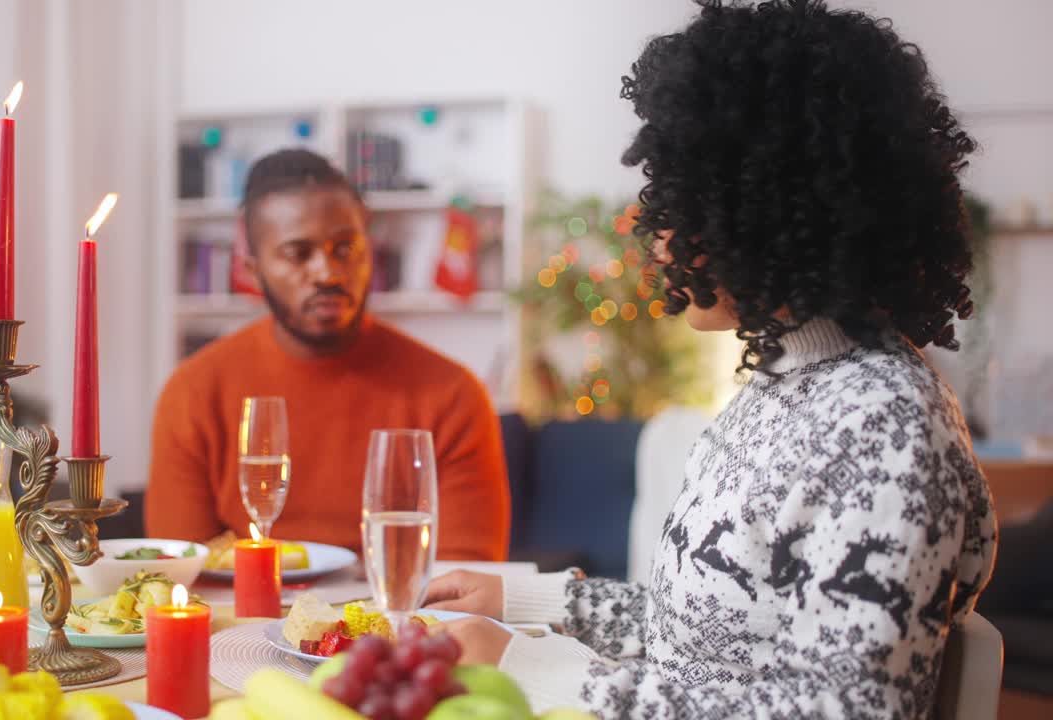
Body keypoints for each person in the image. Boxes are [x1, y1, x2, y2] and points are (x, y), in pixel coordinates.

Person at [423, 1, 998, 716]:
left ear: (779, 210)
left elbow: (835, 710)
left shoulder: (885, 431)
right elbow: (709, 633)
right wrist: (533, 600)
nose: (658, 243)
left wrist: (530, 666)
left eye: (681, 205)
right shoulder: (789, 387)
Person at [146, 148, 510, 561]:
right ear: (251, 270)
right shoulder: (194, 392)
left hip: (398, 622)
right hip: (240, 623)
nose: (327, 272)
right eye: (298, 253)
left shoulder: (452, 395)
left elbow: (467, 583)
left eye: (345, 248)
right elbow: (181, 577)